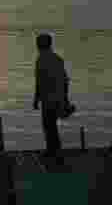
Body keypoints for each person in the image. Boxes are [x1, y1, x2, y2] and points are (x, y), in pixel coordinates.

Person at [33, 33, 70, 165]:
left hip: (48, 99)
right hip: (58, 97)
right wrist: (65, 99)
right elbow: (65, 81)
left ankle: (52, 153)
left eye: (37, 43)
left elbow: (40, 82)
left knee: (49, 127)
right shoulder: (58, 59)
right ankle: (55, 152)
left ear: (40, 45)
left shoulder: (40, 60)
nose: (36, 45)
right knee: (52, 127)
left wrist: (36, 99)